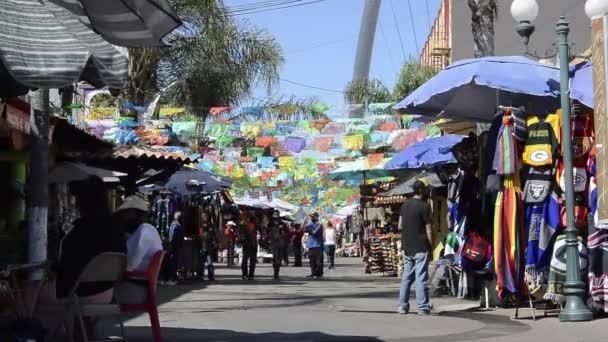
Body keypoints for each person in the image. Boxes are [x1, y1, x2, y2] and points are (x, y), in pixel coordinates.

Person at [114, 195, 163, 305]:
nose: (123, 217)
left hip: (134, 290)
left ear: (136, 214)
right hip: (137, 287)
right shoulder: (144, 230)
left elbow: (130, 266)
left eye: (126, 213)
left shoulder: (144, 232)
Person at [397, 180, 433, 316]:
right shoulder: (425, 206)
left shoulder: (405, 205)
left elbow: (400, 226)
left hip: (407, 246)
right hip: (421, 245)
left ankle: (402, 306)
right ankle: (423, 307)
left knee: (406, 277)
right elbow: (429, 229)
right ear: (422, 190)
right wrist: (431, 244)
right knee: (421, 277)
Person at [161, 211, 183, 285]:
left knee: (171, 263)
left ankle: (170, 278)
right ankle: (171, 279)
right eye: (180, 217)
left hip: (172, 246)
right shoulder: (176, 226)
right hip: (174, 247)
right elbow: (174, 237)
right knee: (173, 263)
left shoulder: (172, 224)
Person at [199, 212, 217, 281]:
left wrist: (215, 242)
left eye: (205, 216)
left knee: (210, 263)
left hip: (209, 247)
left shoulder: (211, 225)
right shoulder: (200, 225)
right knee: (201, 263)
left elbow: (214, 235)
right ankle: (200, 276)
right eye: (203, 216)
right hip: (202, 246)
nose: (204, 217)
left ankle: (211, 276)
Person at [268, 210, 287, 280]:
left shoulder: (282, 224)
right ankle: (275, 273)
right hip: (273, 243)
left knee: (279, 259)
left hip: (281, 243)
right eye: (274, 215)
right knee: (275, 258)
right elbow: (267, 232)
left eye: (277, 215)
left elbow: (287, 233)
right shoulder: (270, 224)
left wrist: (283, 232)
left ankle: (277, 272)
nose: (275, 217)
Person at [305, 213, 324, 279]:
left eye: (313, 217)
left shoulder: (319, 225)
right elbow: (304, 229)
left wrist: (309, 226)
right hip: (310, 245)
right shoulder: (310, 225)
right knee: (311, 261)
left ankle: (318, 273)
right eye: (311, 217)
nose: (312, 218)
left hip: (317, 245)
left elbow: (314, 232)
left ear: (317, 217)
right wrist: (306, 222)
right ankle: (313, 273)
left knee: (318, 261)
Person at [240, 215, 258, 280]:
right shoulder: (242, 224)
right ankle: (244, 274)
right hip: (246, 244)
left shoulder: (255, 224)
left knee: (252, 261)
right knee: (244, 260)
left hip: (253, 244)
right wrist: (243, 240)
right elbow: (240, 233)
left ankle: (251, 275)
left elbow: (258, 231)